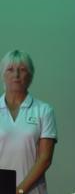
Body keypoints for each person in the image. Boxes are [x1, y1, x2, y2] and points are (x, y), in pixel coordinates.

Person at [0, 50, 57, 194]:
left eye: (22, 70)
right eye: (10, 69)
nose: (16, 75)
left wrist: (19, 190)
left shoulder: (44, 110)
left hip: (32, 190)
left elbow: (45, 158)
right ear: (3, 74)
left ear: (30, 75)